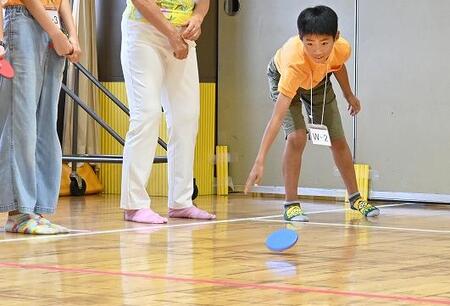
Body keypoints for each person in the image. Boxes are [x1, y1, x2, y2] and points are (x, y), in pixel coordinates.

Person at [244, 5, 380, 222]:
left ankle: (355, 198)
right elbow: (277, 117)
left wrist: (349, 95)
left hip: (318, 82)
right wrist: (260, 160)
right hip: (286, 79)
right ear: (301, 39)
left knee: (338, 140)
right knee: (297, 137)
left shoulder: (342, 48)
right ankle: (291, 204)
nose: (318, 51)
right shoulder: (294, 64)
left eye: (324, 43)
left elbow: (337, 66)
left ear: (335, 37)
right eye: (310, 43)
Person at [120, 0, 216, 224]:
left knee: (186, 117)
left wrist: (198, 18)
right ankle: (134, 204)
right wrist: (171, 35)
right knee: (147, 114)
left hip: (183, 36)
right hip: (143, 33)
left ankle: (181, 201)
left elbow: (203, 2)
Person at [0, 0, 81, 234]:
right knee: (21, 123)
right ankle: (19, 213)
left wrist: (71, 35)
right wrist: (57, 33)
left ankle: (36, 210)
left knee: (46, 124)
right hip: (23, 19)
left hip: (53, 24)